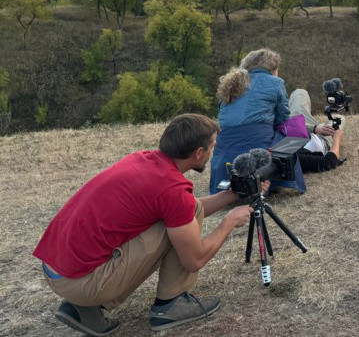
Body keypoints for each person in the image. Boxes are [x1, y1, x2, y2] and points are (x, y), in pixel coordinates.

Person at [33, 114, 267, 335]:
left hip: (57, 270)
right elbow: (194, 260)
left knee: (185, 212)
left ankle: (83, 309)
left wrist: (232, 195)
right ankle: (170, 304)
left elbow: (188, 207)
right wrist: (228, 222)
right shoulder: (172, 189)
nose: (213, 151)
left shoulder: (144, 160)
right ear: (198, 152)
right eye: (213, 146)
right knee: (179, 223)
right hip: (81, 282)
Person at [209, 49, 300, 194]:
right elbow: (283, 117)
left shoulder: (231, 83)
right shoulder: (276, 82)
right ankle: (278, 180)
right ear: (273, 69)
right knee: (288, 138)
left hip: (225, 146)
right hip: (257, 144)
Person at [287, 88, 345, 172]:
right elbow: (328, 163)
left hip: (297, 127)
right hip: (321, 139)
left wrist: (314, 128)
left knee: (299, 92)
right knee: (339, 118)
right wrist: (337, 140)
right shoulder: (295, 158)